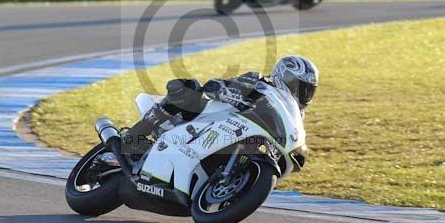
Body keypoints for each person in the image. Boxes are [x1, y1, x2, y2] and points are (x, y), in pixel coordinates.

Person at [121, 56, 319, 151]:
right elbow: (213, 84)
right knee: (189, 87)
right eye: (299, 86)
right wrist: (227, 92)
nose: (302, 94)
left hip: (239, 143)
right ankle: (130, 138)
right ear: (282, 76)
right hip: (208, 119)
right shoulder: (259, 81)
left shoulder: (294, 116)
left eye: (308, 90)